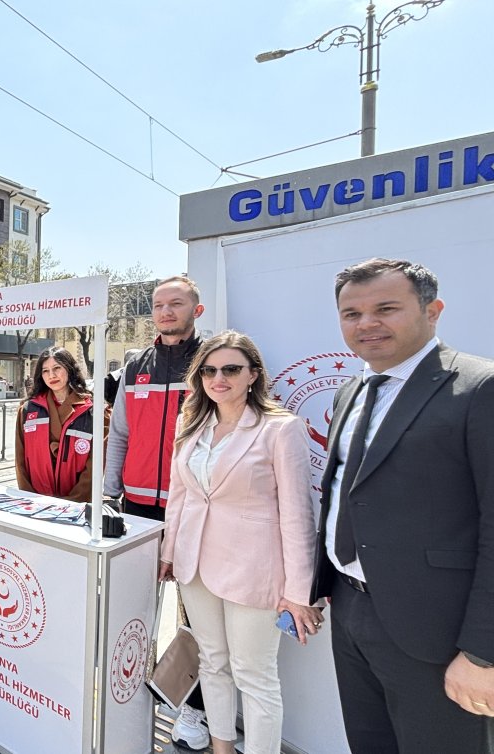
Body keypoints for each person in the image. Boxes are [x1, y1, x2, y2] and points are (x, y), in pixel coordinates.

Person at [310, 258, 494, 752]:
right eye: (352, 314)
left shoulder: (479, 388)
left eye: (386, 308)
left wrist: (482, 653)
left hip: (438, 631)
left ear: (432, 311)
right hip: (350, 609)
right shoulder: (351, 390)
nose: (366, 324)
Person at [159, 331, 321, 754]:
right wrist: (168, 552)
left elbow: (298, 515)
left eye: (231, 369)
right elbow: (180, 495)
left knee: (255, 675)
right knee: (212, 663)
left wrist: (299, 592)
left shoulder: (280, 429)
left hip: (255, 571)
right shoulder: (190, 423)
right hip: (194, 566)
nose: (219, 378)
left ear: (253, 374)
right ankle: (222, 748)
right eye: (210, 370)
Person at [102, 274, 211, 750]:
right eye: (158, 304)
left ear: (196, 310)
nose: (166, 311)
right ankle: (125, 691)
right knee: (134, 607)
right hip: (138, 507)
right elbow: (121, 436)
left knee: (195, 618)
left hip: (195, 510)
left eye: (176, 303)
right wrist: (108, 494)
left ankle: (193, 712)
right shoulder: (136, 365)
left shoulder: (212, 364)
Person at [15, 347, 108, 501]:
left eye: (57, 368)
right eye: (45, 371)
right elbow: (20, 460)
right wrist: (28, 497)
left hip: (77, 503)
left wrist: (74, 500)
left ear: (69, 369)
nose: (51, 375)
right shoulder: (28, 409)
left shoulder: (94, 410)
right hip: (36, 501)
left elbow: (96, 464)